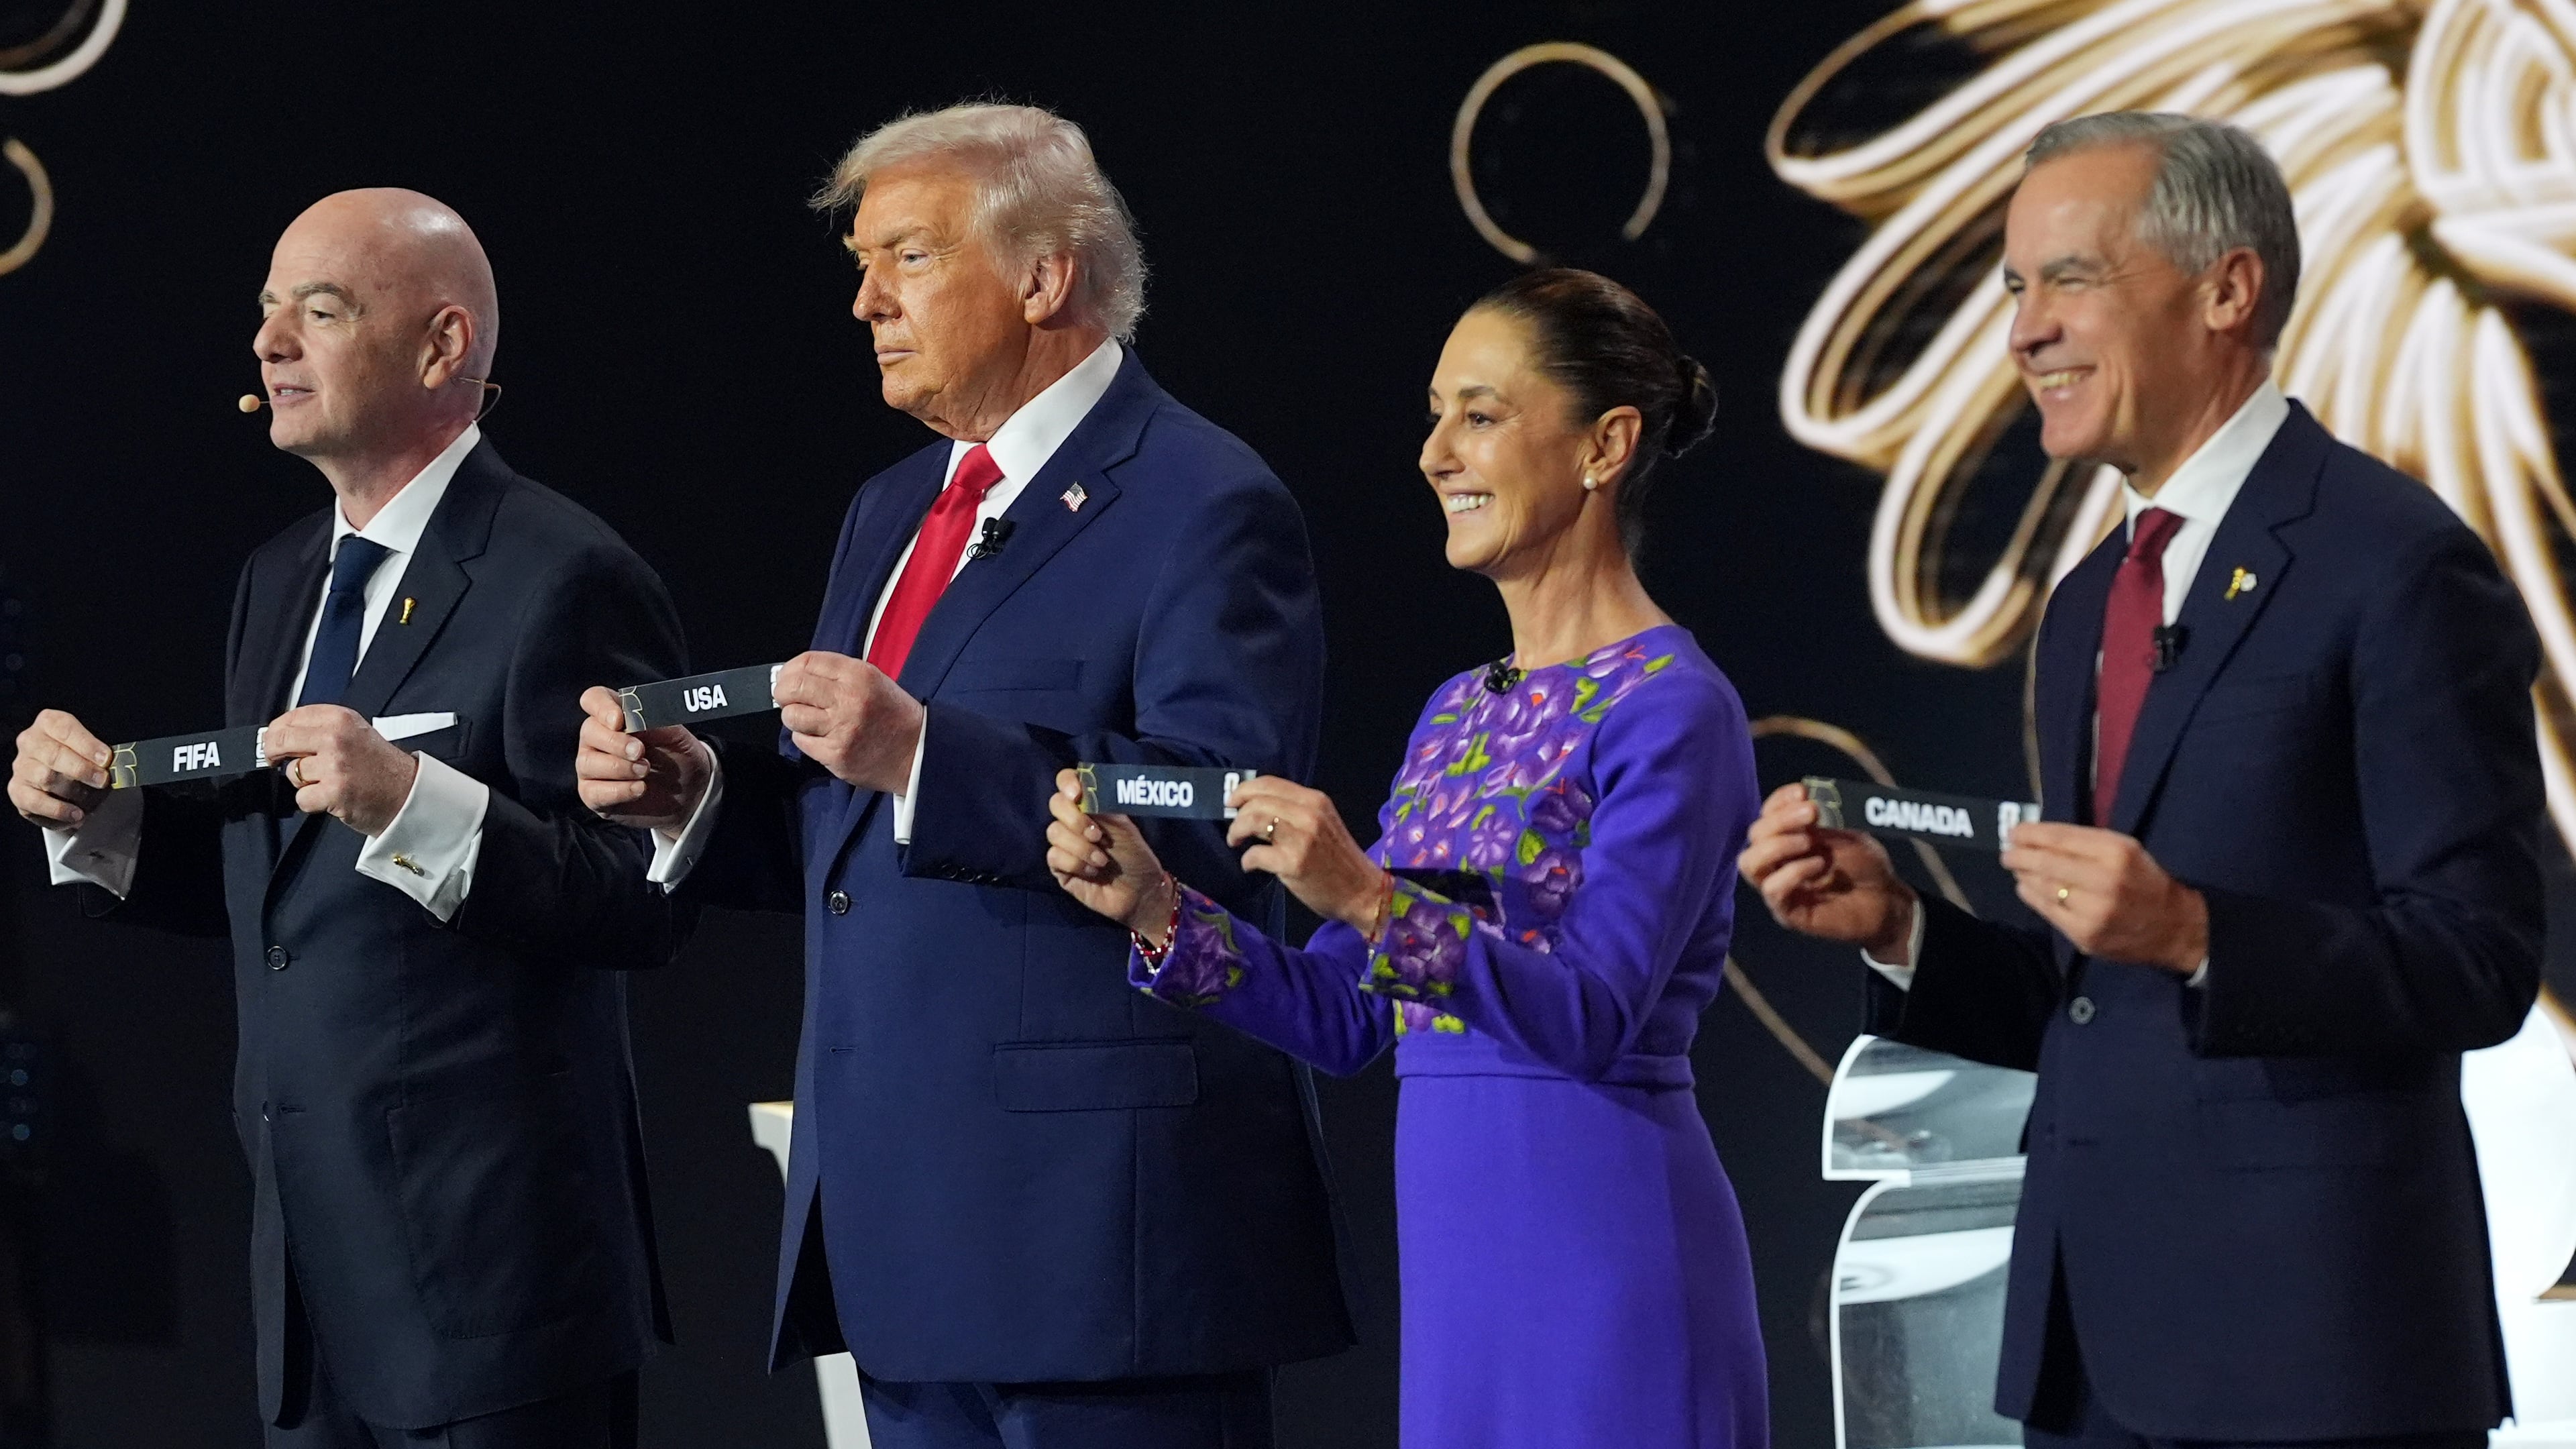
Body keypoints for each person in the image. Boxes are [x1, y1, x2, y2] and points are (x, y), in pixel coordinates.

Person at [1740, 113, 2542, 1449]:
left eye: (2071, 278)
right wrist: (1900, 930)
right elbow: (2096, 1006)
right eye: (2012, 288)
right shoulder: (2083, 612)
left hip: (2317, 1359)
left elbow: (2483, 959)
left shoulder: (2396, 566)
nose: (2023, 330)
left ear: (2228, 289)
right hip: (2094, 1357)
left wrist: (2197, 932)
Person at [574, 103, 1348, 1449]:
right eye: (863, 266)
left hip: (1105, 1250)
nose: (868, 300)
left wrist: (924, 751)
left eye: (911, 258)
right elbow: (859, 834)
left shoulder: (1204, 500)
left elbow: (1224, 817)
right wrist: (696, 797)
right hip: (904, 1229)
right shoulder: (891, 510)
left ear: (1045, 276)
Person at [1046, 268, 1767, 1449]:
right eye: (1435, 415)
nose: (1437, 452)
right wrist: (1158, 907)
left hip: (1608, 1259)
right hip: (1460, 1278)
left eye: (1480, 415)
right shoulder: (1456, 711)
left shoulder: (1672, 708)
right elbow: (1347, 1018)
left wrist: (1370, 897)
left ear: (1606, 446)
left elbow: (1591, 1016)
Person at [8, 191, 684, 1446]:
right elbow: (281, 900)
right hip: (312, 1297)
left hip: (498, 1294)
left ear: (442, 348)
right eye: (267, 311)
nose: (269, 344)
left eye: (317, 310)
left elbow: (637, 897)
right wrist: (93, 822)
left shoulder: (564, 572)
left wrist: (415, 803)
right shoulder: (279, 582)